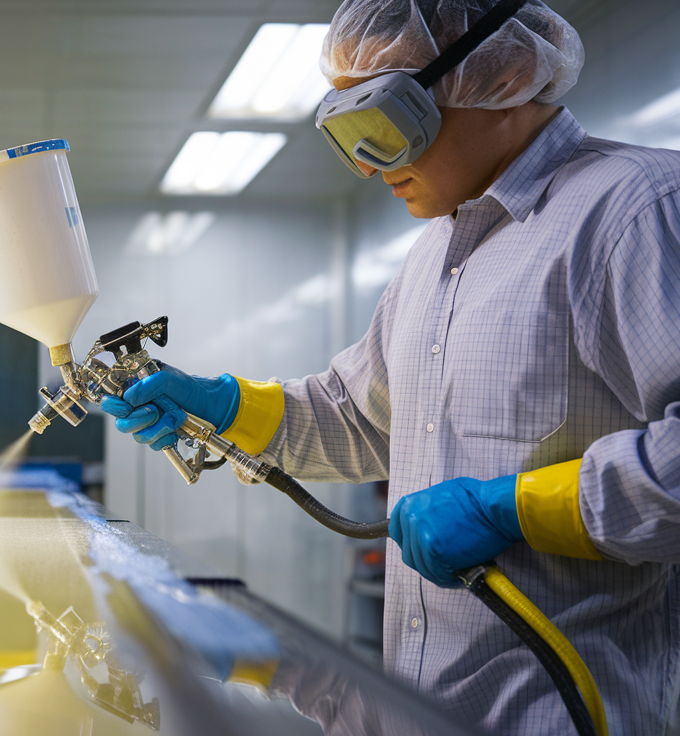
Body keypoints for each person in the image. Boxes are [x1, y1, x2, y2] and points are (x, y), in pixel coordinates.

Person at [102, 0, 680, 733]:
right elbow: (362, 419)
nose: (368, 163)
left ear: (498, 75)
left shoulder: (634, 210)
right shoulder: (434, 254)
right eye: (345, 133)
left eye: (383, 120)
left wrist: (513, 508)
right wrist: (220, 407)